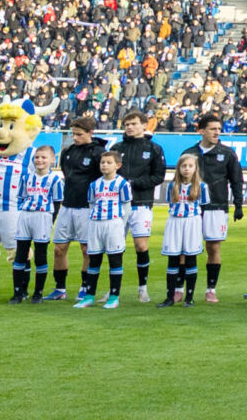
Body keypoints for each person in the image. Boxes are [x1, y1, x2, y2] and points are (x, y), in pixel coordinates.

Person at [181, 113, 243, 303]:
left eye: (218, 129)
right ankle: (178, 288)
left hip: (217, 206)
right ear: (201, 131)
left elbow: (236, 180)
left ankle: (211, 289)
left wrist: (238, 205)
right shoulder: (190, 153)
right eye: (212, 129)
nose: (217, 132)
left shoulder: (227, 153)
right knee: (185, 249)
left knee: (213, 248)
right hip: (191, 207)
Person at [48, 116, 106, 301]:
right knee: (59, 249)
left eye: (79, 134)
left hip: (87, 208)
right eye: (73, 134)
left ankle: (85, 287)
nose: (75, 137)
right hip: (67, 205)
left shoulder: (99, 153)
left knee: (86, 249)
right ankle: (60, 289)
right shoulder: (68, 152)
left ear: (90, 133)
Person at [112, 110, 166, 303]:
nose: (129, 127)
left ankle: (142, 288)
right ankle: (113, 291)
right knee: (114, 247)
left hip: (141, 203)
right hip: (117, 205)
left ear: (144, 125)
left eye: (133, 123)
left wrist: (133, 183)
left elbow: (158, 176)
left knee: (140, 245)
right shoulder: (117, 148)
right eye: (127, 124)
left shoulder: (154, 149)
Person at [75, 151, 132, 309]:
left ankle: (114, 296)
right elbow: (91, 204)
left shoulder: (122, 184)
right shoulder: (94, 184)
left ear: (117, 165)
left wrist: (121, 225)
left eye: (108, 162)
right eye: (102, 162)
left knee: (114, 260)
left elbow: (127, 206)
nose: (104, 165)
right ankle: (89, 296)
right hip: (96, 224)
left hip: (113, 223)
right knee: (94, 260)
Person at [10, 146, 63, 304]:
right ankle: (18, 293)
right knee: (21, 254)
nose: (39, 160)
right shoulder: (26, 177)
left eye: (44, 157)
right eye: (37, 157)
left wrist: (50, 222)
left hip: (43, 217)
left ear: (52, 160)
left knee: (40, 256)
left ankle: (38, 293)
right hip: (26, 216)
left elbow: (57, 202)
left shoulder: (55, 180)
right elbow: (21, 197)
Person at [158, 154, 209, 308]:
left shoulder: (202, 186)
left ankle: (189, 298)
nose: (187, 169)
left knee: (190, 259)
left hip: (192, 222)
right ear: (178, 168)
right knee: (173, 259)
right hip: (174, 222)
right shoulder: (172, 186)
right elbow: (170, 204)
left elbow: (204, 207)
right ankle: (170, 297)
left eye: (190, 166)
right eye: (183, 166)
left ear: (195, 168)